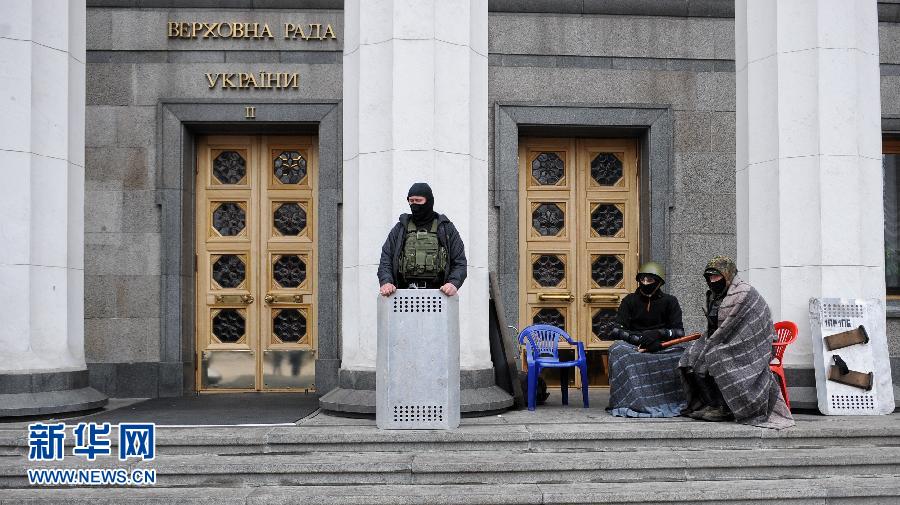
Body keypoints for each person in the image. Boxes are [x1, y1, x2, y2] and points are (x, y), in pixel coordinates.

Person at [678, 256, 794, 429]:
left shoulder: (744, 293)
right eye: (709, 277)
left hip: (752, 344)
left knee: (717, 357)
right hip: (725, 339)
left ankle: (727, 407)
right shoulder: (714, 295)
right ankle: (710, 403)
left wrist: (715, 342)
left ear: (728, 274)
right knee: (691, 355)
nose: (712, 280)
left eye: (716, 276)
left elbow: (742, 326)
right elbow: (716, 327)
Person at [605, 261, 687, 417]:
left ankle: (671, 400)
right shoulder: (629, 300)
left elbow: (679, 332)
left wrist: (659, 334)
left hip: (662, 345)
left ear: (659, 282)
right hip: (635, 346)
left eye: (650, 280)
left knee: (686, 353)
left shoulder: (670, 301)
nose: (645, 283)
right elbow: (616, 330)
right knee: (616, 349)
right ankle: (627, 400)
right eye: (642, 279)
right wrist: (639, 338)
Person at [378, 182, 467, 296]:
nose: (414, 205)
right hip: (404, 295)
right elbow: (386, 259)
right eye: (411, 201)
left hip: (439, 296)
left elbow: (459, 261)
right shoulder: (401, 228)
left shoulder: (445, 228)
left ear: (429, 201)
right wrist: (386, 282)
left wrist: (453, 283)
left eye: (418, 201)